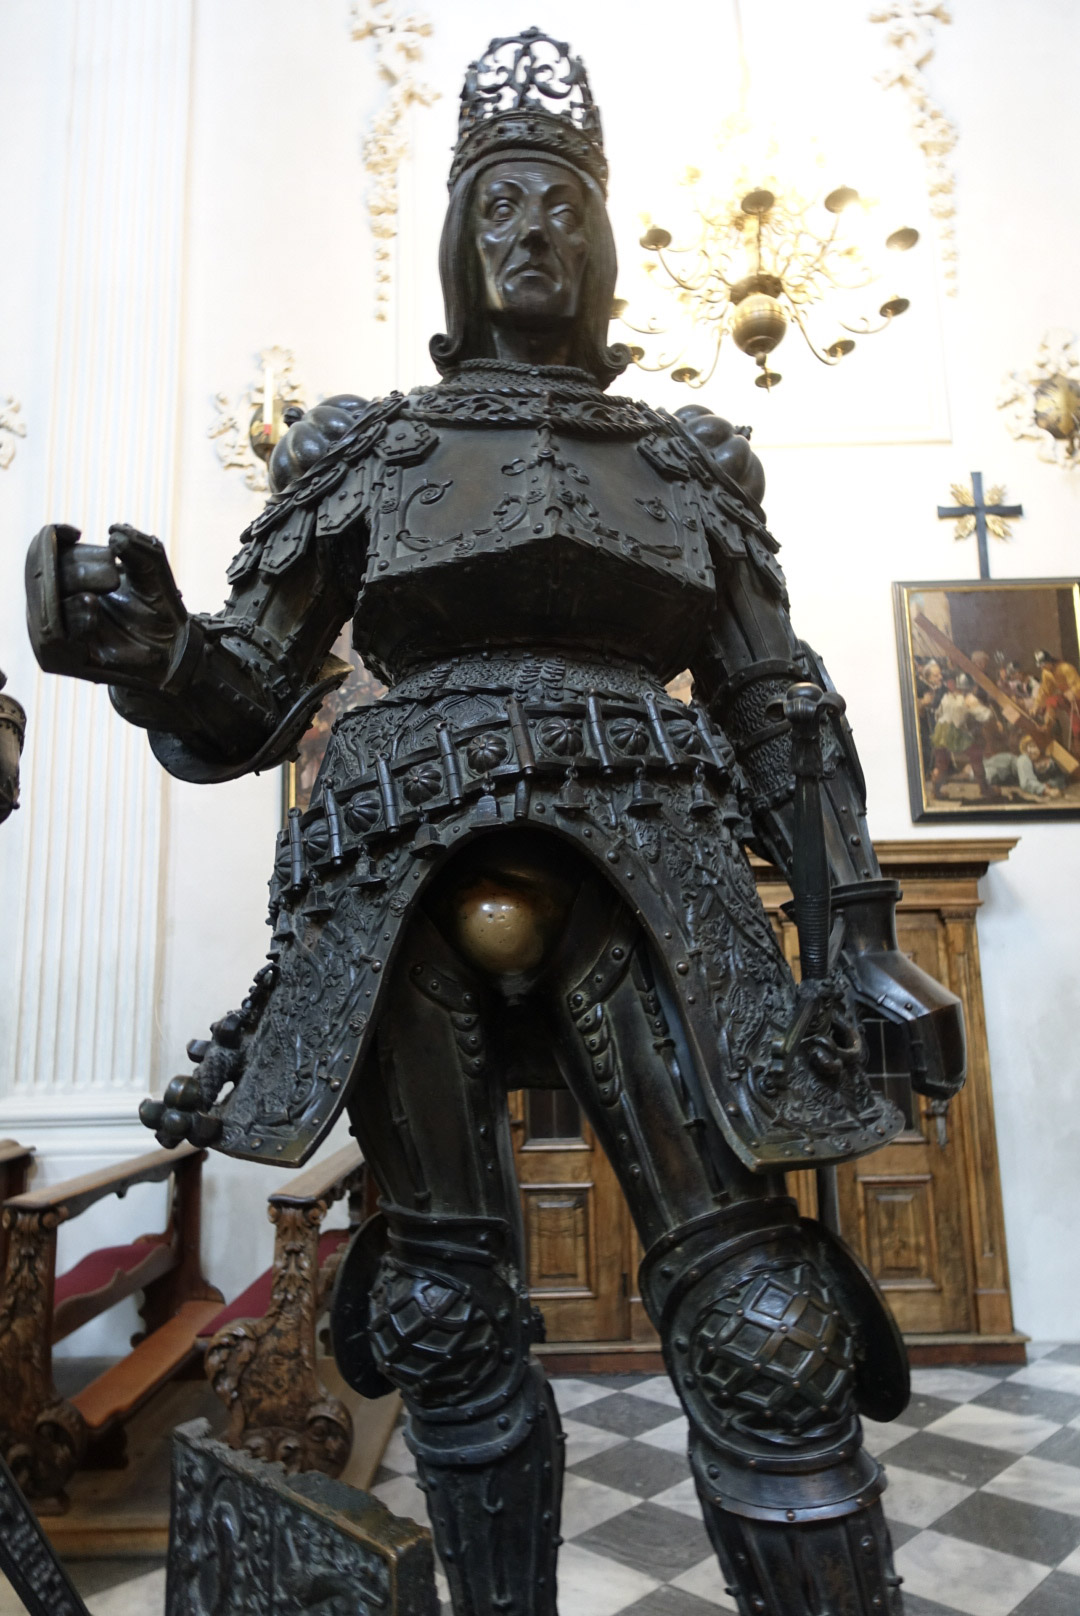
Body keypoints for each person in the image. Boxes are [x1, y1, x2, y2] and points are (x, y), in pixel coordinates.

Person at [25, 29, 964, 1616]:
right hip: (396, 878)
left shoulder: (688, 463)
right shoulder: (365, 450)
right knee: (446, 1312)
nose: (536, 232)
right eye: (504, 205)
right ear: (461, 240)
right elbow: (252, 694)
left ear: (606, 245)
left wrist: (858, 934)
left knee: (765, 1316)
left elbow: (778, 704)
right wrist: (162, 653)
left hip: (657, 873)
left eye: (564, 207)